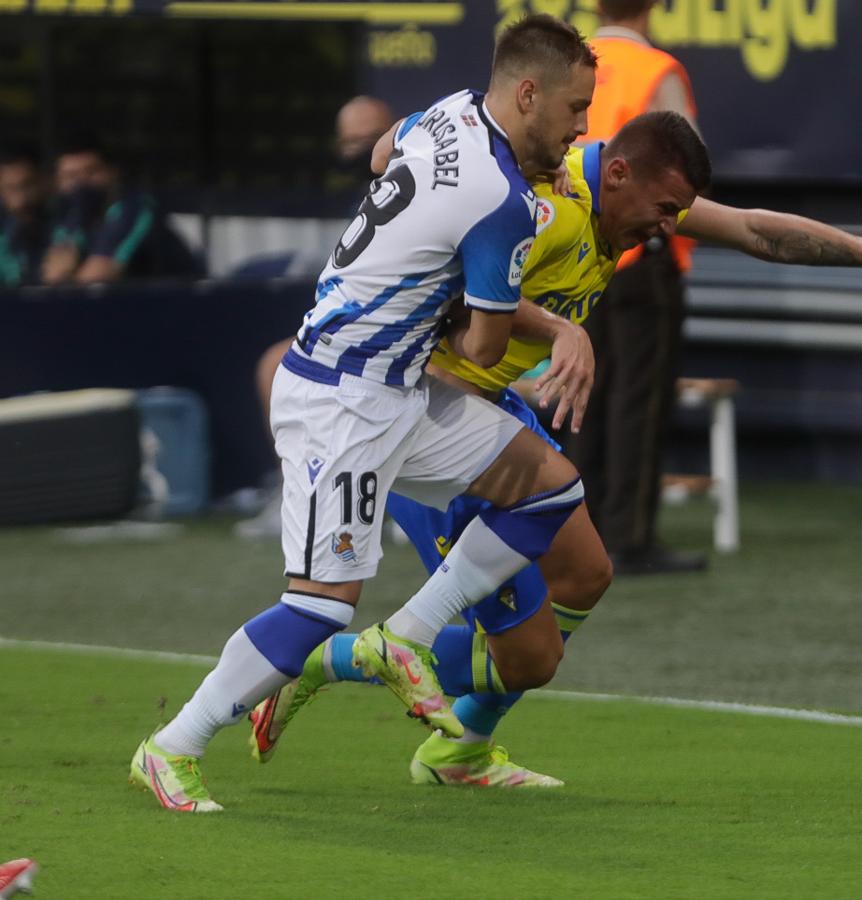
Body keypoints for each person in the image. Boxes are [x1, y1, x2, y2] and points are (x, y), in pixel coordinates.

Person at [246, 111, 862, 788]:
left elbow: (758, 230)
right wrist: (563, 332)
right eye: (662, 211)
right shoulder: (543, 205)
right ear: (621, 175)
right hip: (433, 421)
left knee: (589, 573)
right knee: (530, 658)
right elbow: (453, 287)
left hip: (492, 407)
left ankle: (453, 748)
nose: (666, 229)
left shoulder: (617, 195)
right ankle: (315, 659)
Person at [129, 13, 600, 813]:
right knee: (315, 606)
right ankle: (171, 746)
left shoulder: (449, 111)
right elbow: (485, 352)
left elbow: (386, 154)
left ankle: (403, 637)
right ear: (528, 95)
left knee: (550, 487)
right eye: (573, 110)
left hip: (399, 389)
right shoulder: (506, 204)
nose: (582, 128)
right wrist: (546, 322)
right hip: (346, 403)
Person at [570, 0, 708, 575]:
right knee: (641, 399)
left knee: (584, 397)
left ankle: (582, 532)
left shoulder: (574, 64)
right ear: (650, 8)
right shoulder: (657, 71)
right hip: (644, 254)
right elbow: (687, 168)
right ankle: (630, 538)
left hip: (579, 251)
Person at [235, 95, 399, 541]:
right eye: (352, 144)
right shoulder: (354, 197)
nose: (362, 154)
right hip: (359, 328)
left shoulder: (420, 179)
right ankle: (301, 495)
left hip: (410, 330)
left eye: (371, 140)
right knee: (276, 363)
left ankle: (401, 503)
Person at [40, 136, 199, 285]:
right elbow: (52, 277)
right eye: (71, 176)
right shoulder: (69, 216)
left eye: (91, 172)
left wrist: (68, 275)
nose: (82, 184)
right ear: (57, 182)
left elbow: (97, 277)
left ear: (113, 172)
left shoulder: (135, 208)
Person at [0, 144, 50, 288]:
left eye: (27, 186)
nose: (20, 201)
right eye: (10, 189)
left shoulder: (66, 227)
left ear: (45, 181)